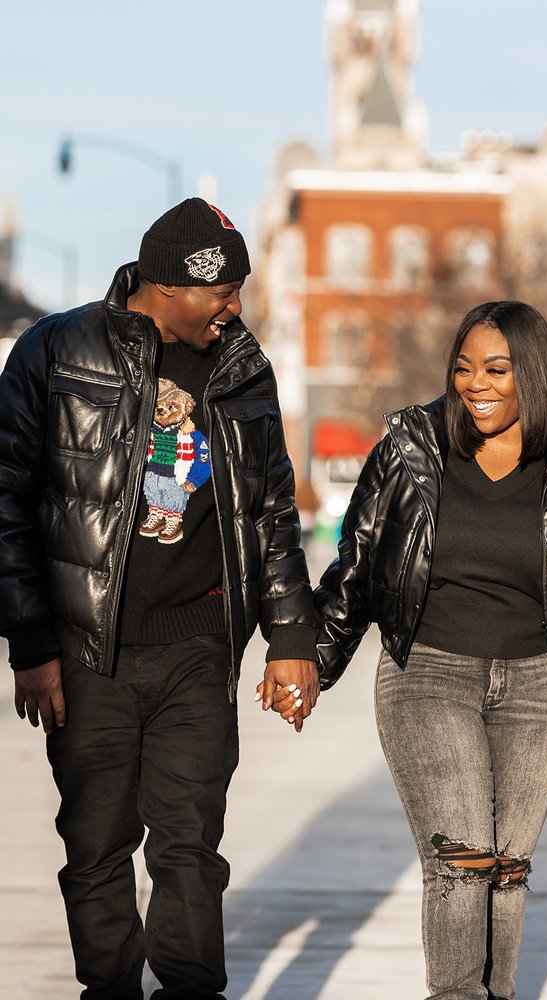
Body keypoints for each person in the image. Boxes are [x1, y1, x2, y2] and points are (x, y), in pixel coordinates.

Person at [294, 300, 547, 1000]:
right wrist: (309, 659)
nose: (475, 384)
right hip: (428, 673)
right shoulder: (411, 448)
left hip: (540, 686)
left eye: (496, 369)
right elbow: (358, 566)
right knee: (462, 861)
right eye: (464, 368)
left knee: (506, 872)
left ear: (534, 372)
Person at [0, 198, 321, 1000]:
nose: (234, 309)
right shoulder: (56, 350)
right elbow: (6, 503)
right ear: (171, 283)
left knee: (189, 846)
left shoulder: (243, 367)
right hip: (86, 650)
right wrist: (30, 644)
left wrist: (290, 639)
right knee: (96, 844)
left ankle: (189, 990)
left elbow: (271, 510)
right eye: (224, 291)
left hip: (197, 647)